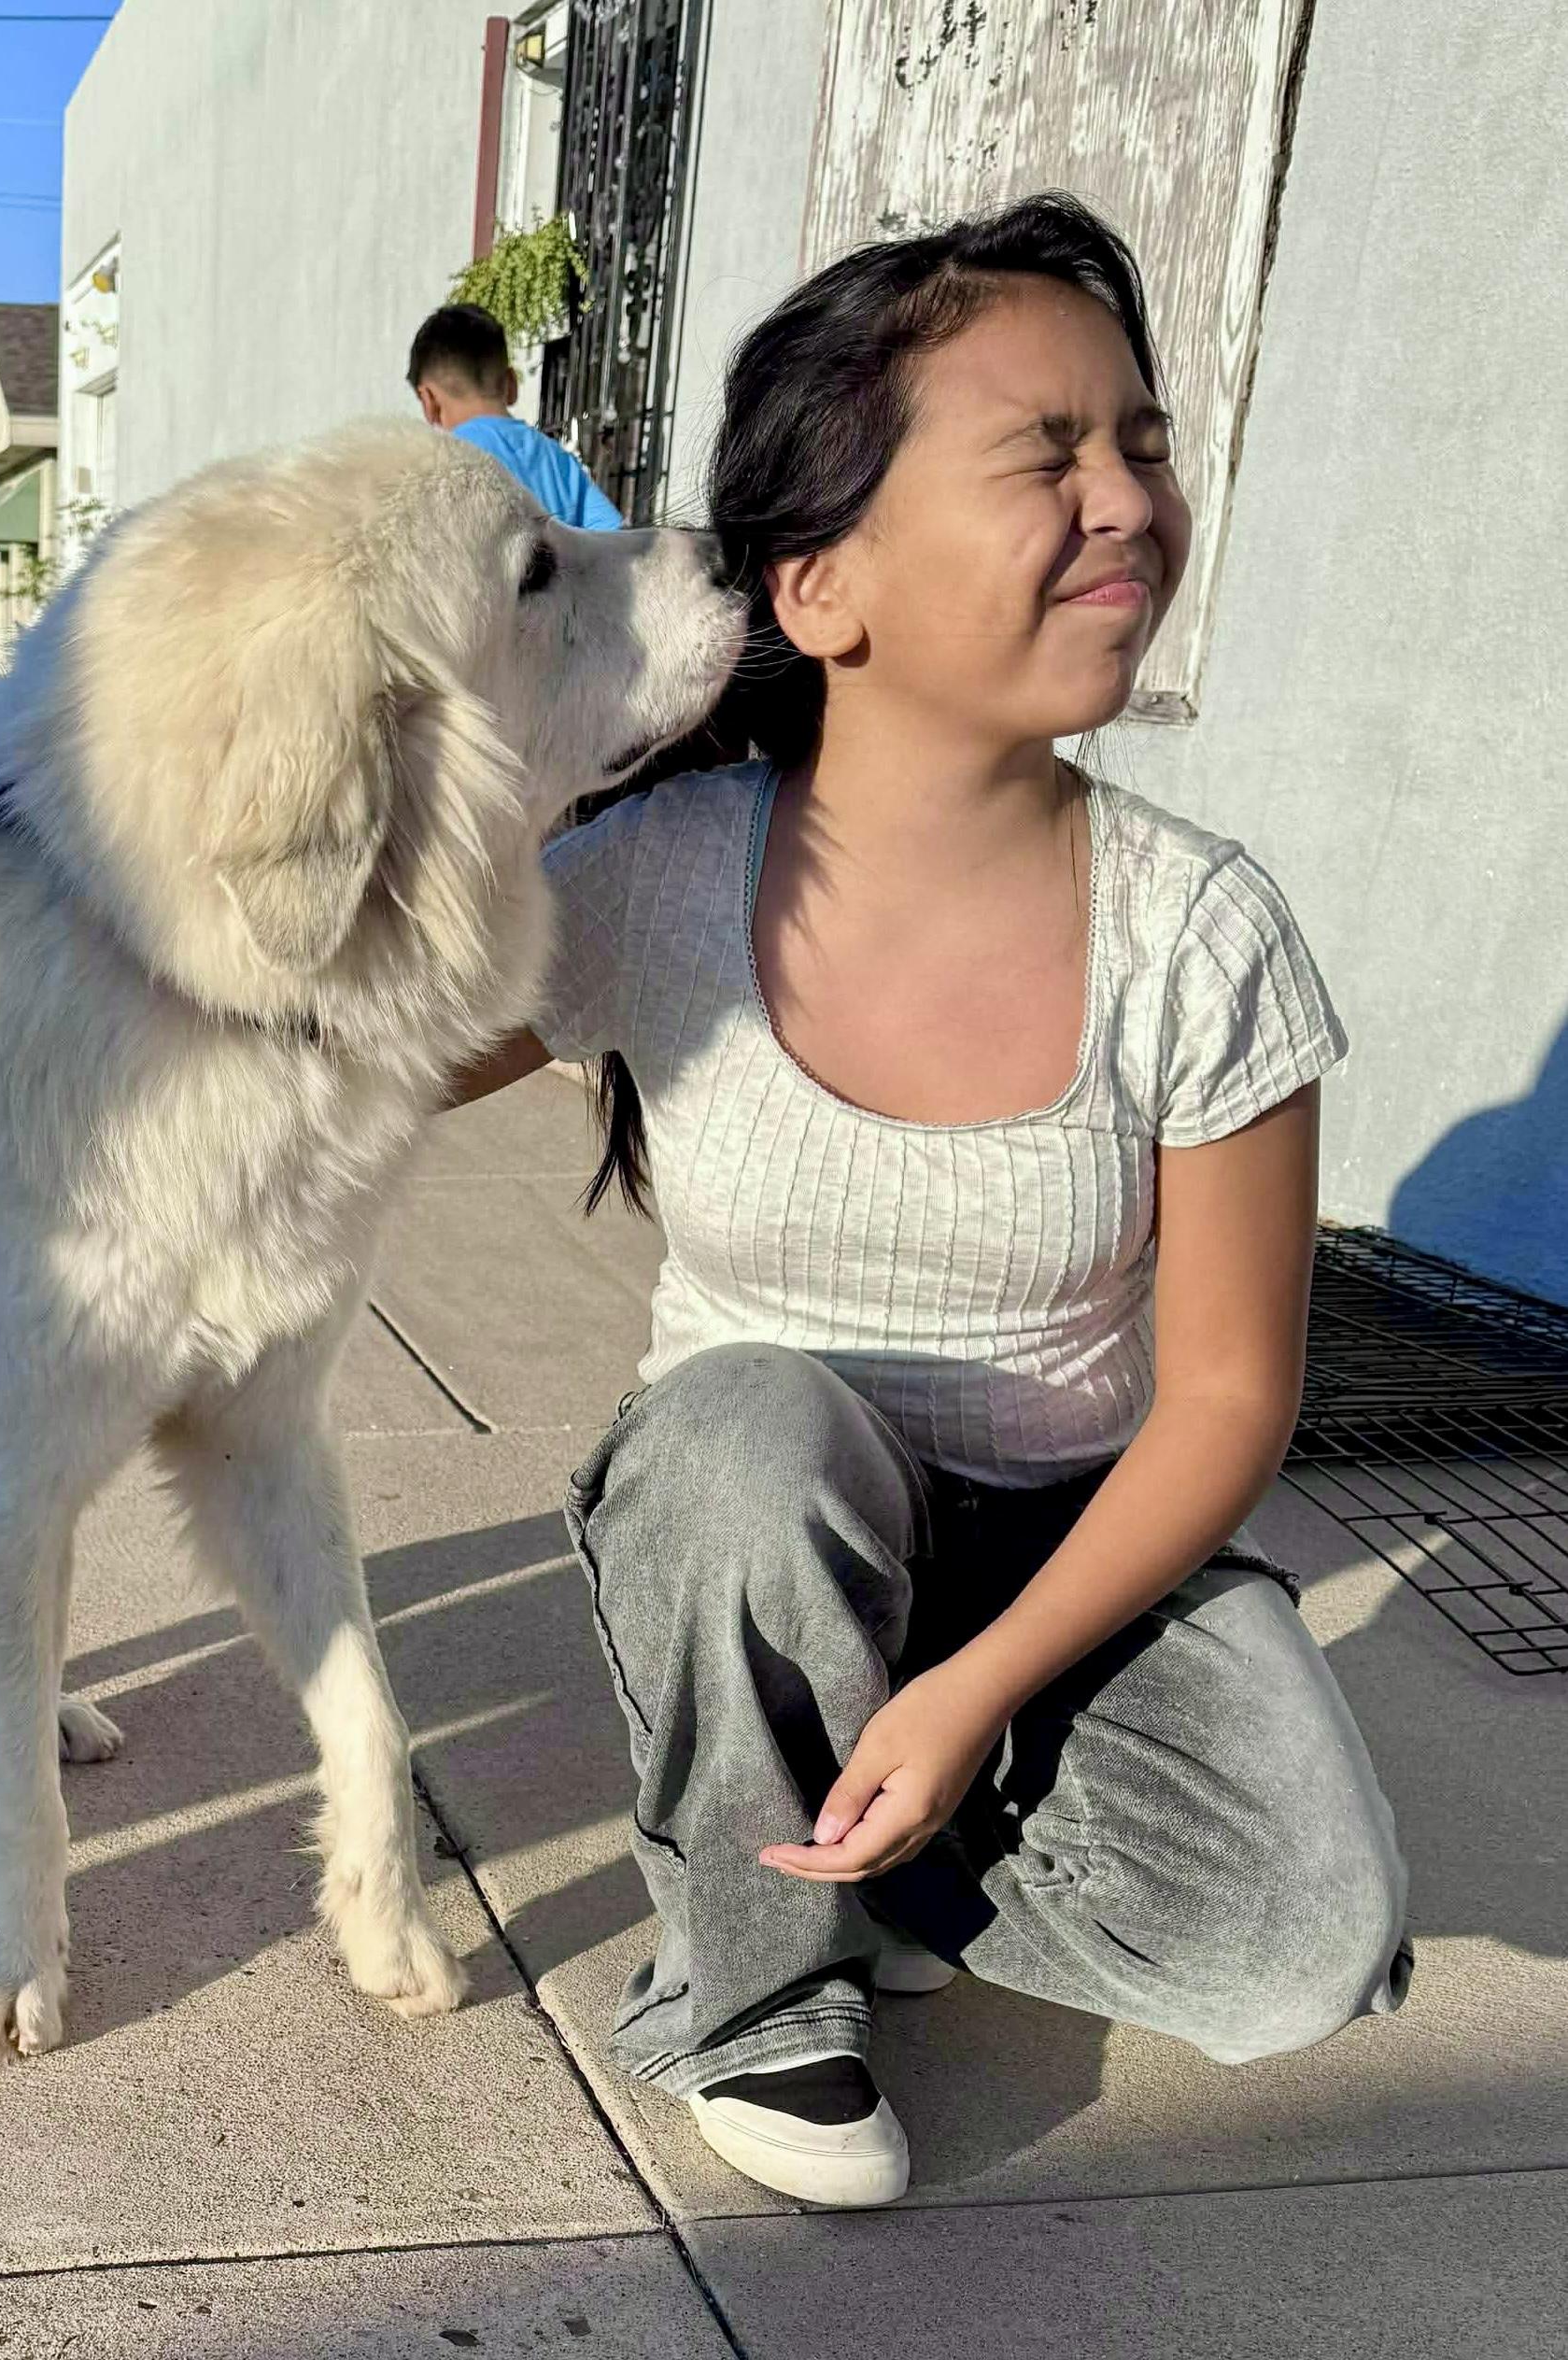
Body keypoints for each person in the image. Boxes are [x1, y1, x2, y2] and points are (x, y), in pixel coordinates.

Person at [448, 194, 1412, 2209]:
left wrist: (980, 1687)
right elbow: (335, 1049)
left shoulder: (1201, 931)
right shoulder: (655, 873)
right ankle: (755, 1987)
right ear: (818, 589)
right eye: (1043, 456)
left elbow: (1227, 1399)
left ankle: (826, 1835)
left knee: (1301, 1946)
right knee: (744, 1428)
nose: (1125, 498)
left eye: (1139, 442)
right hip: (761, 1513)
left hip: (1053, 1556)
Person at [407, 302, 624, 530]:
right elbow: (613, 536)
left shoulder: (439, 465)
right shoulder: (558, 460)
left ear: (428, 400)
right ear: (511, 383)